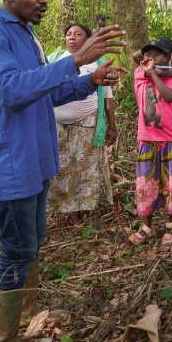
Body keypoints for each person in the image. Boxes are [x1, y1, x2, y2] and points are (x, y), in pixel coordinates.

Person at [0, 0, 127, 342]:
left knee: (31, 242)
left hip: (33, 160)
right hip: (9, 160)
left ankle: (23, 318)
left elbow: (42, 93)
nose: (43, 0)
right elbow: (7, 91)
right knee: (17, 250)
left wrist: (90, 80)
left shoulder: (24, 33)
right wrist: (75, 61)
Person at [46, 23, 117, 229]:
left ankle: (75, 214)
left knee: (80, 170)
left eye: (78, 34)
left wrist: (112, 126)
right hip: (56, 127)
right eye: (68, 34)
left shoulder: (98, 63)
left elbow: (107, 98)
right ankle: (52, 209)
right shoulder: (54, 60)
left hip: (86, 127)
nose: (72, 38)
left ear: (88, 40)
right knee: (54, 170)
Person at [129, 36, 172, 245]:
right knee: (145, 182)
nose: (150, 57)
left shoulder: (169, 78)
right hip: (147, 138)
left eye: (157, 54)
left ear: (166, 58)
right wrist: (153, 64)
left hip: (169, 137)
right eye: (148, 54)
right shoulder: (139, 72)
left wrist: (171, 62)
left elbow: (167, 96)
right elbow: (136, 55)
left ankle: (171, 223)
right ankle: (146, 224)